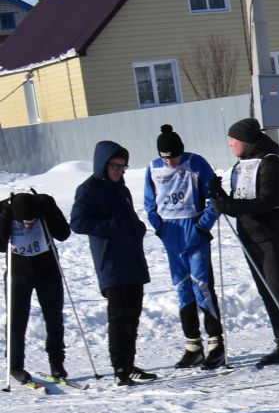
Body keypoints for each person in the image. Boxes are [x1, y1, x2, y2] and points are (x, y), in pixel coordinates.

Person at [210, 117, 279, 367]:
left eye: (233, 140)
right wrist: (219, 195)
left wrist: (228, 206)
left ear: (246, 141)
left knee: (278, 287)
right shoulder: (243, 164)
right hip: (250, 233)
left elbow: (267, 201)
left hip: (270, 233)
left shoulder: (270, 162)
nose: (229, 144)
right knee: (266, 289)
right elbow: (242, 198)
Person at [67, 141, 157, 386]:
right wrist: (110, 227)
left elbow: (127, 216)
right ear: (103, 164)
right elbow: (78, 222)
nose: (119, 171)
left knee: (133, 316)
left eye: (123, 166)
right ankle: (119, 367)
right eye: (114, 166)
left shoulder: (122, 188)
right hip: (111, 263)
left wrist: (136, 228)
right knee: (119, 317)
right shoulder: (89, 189)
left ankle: (129, 363)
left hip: (133, 260)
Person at [142, 124, 225, 370]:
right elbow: (149, 203)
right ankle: (193, 345)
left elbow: (214, 196)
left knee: (202, 287)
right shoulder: (153, 168)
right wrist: (159, 228)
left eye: (174, 157)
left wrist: (202, 227)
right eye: (165, 158)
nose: (170, 162)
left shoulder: (196, 163)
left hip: (195, 231)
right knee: (182, 288)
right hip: (171, 234)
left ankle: (216, 344)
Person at [3, 188, 71, 385]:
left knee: (54, 319)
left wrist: (49, 210)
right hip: (18, 274)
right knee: (16, 321)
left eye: (31, 221)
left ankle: (56, 363)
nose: (28, 225)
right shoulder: (5, 210)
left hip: (48, 271)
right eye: (23, 222)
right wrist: (5, 218)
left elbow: (63, 234)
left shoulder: (44, 205)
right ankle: (15, 365)